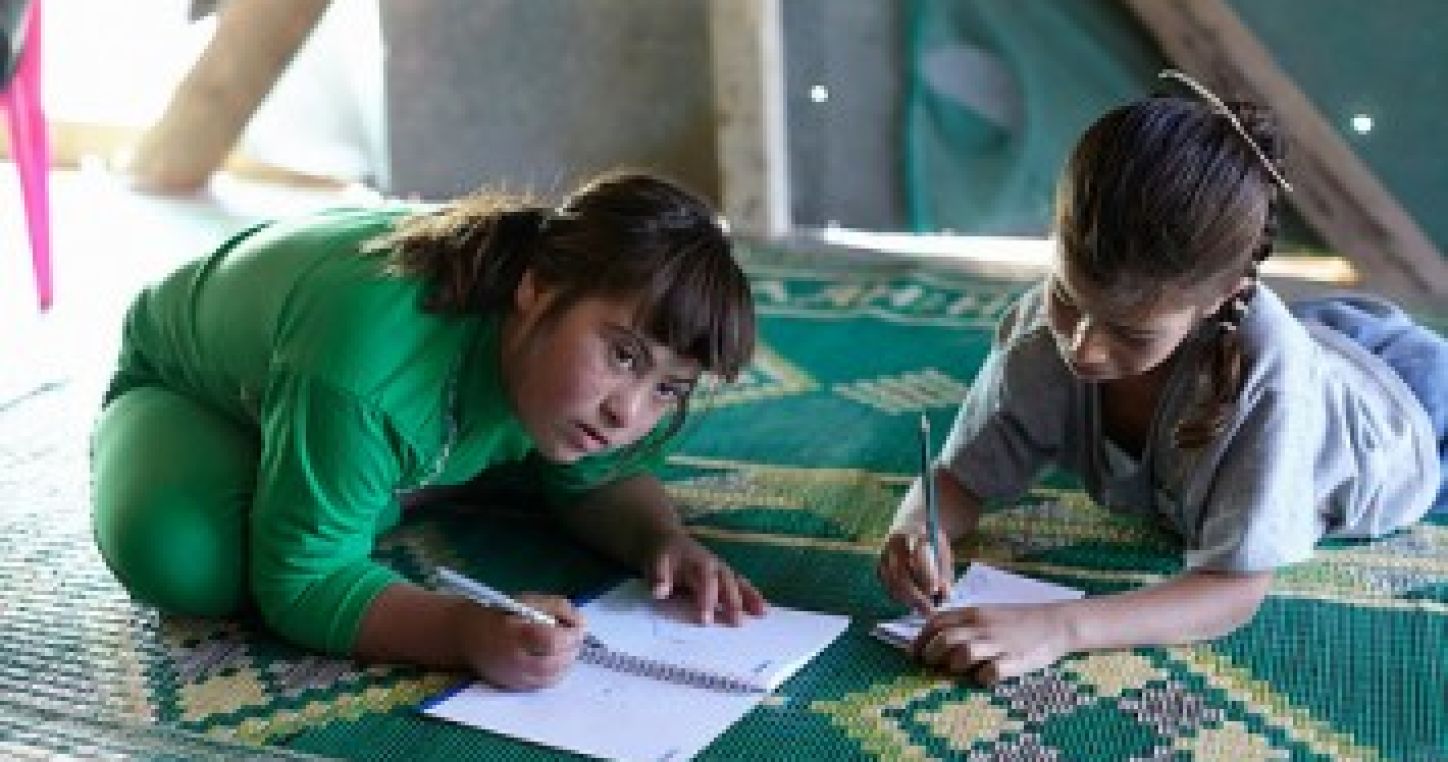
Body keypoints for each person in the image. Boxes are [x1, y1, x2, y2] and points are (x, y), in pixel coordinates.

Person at [92, 171, 768, 691]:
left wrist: (662, 539)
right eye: (623, 356)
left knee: (534, 449)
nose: (630, 411)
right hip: (187, 390)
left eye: (668, 388)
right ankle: (373, 479)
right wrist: (462, 632)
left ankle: (378, 477)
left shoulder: (562, 374)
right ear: (533, 289)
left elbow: (600, 477)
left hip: (336, 389)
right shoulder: (367, 364)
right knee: (185, 561)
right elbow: (302, 580)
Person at [877, 71, 1447, 685]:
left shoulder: (1267, 384)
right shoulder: (1045, 335)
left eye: (1129, 333)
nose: (1083, 349)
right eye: (1068, 298)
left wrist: (1058, 626)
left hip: (1411, 412)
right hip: (1330, 341)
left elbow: (1233, 591)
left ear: (1221, 298)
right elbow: (957, 480)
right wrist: (918, 528)